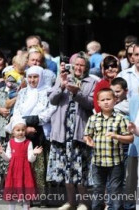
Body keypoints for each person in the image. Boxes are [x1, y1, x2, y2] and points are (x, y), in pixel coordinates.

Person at [47, 52, 97, 210]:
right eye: (76, 64)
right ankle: (70, 202)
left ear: (86, 68)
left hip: (79, 131)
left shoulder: (91, 82)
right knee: (66, 169)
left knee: (80, 169)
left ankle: (83, 202)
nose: (78, 67)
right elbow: (52, 100)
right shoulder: (62, 78)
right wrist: (62, 85)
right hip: (62, 131)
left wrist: (76, 92)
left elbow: (90, 104)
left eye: (82, 65)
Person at [13, 65, 56, 205]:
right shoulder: (23, 92)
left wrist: (34, 121)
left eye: (35, 77)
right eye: (30, 77)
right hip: (23, 132)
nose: (32, 80)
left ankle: (42, 197)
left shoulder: (48, 91)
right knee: (25, 165)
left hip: (40, 131)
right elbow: (17, 111)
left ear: (41, 77)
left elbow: (50, 110)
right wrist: (25, 127)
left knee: (40, 165)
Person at [84, 88, 134, 210]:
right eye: (103, 100)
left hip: (116, 162)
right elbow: (87, 135)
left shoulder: (120, 118)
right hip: (98, 162)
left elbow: (130, 138)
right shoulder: (93, 118)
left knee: (116, 190)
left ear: (115, 100)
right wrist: (88, 140)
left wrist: (117, 136)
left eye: (108, 99)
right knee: (98, 189)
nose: (106, 102)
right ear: (98, 102)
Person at [0, 117, 43, 210]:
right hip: (13, 171)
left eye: (23, 130)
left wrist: (34, 153)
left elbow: (30, 159)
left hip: (26, 171)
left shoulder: (28, 142)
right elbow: (8, 158)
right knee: (12, 193)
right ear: (13, 132)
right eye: (18, 130)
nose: (20, 132)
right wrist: (2, 153)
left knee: (26, 193)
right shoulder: (11, 142)